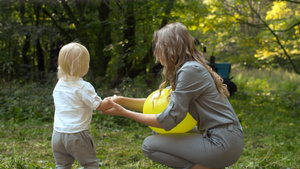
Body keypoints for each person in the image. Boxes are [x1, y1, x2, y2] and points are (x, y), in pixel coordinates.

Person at [102, 22, 244, 169]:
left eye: (158, 47)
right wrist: (120, 101)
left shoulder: (190, 71)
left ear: (168, 48)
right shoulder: (190, 68)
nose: (156, 53)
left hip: (222, 142)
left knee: (150, 145)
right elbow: (155, 103)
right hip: (222, 137)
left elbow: (168, 120)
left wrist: (123, 113)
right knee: (158, 134)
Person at [52, 42, 111, 169]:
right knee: (90, 164)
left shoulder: (59, 84)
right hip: (77, 135)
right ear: (83, 66)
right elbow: (99, 105)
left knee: (62, 165)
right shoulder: (84, 87)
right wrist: (112, 101)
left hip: (57, 135)